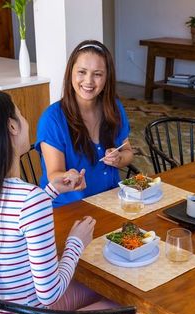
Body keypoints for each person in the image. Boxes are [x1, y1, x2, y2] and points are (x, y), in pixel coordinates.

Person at [0, 90, 105, 314]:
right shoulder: (30, 200)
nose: (25, 120)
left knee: (99, 292)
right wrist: (76, 243)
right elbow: (49, 293)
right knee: (129, 306)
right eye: (20, 114)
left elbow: (13, 214)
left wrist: (50, 192)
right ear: (12, 127)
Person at [36, 39, 134, 207]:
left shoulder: (114, 108)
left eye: (97, 74)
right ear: (71, 73)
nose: (89, 81)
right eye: (82, 72)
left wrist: (119, 159)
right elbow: (54, 174)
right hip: (69, 209)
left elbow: (128, 153)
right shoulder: (52, 119)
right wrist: (69, 176)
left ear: (106, 78)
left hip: (111, 202)